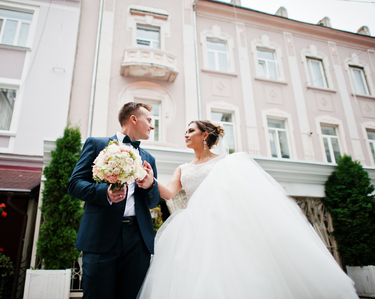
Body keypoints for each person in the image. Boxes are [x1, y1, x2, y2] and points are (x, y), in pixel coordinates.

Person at [137, 120, 359, 299]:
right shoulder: (182, 168)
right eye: (185, 131)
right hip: (192, 225)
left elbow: (243, 193)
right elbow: (169, 193)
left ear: (205, 135)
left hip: (223, 222)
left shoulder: (228, 162)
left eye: (190, 130)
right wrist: (150, 180)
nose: (185, 134)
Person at [68, 102, 161, 299]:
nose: (152, 126)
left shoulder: (149, 159)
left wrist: (151, 185)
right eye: (149, 120)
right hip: (100, 235)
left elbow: (152, 203)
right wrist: (105, 193)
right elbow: (75, 183)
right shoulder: (97, 144)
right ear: (133, 119)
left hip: (138, 239)